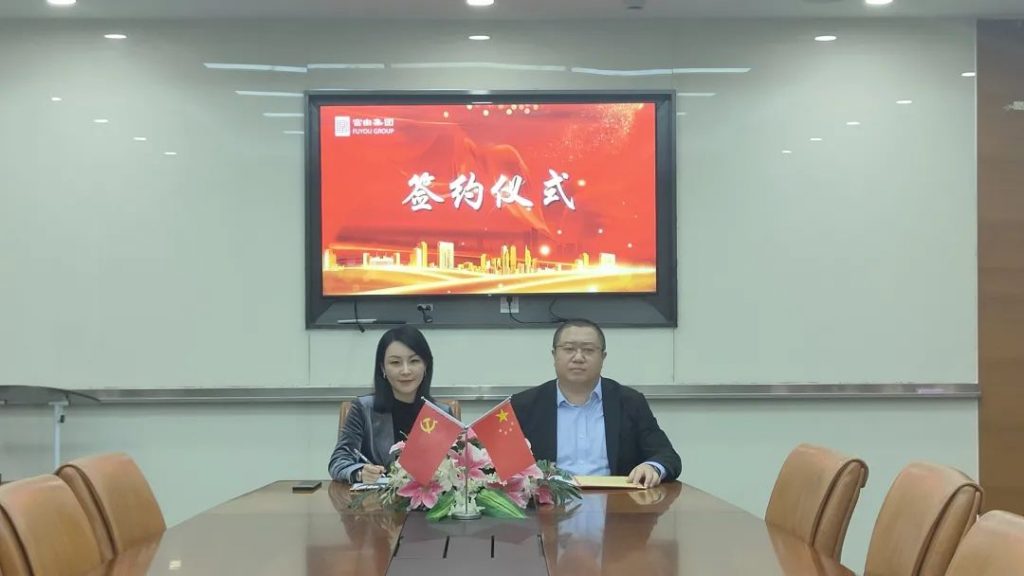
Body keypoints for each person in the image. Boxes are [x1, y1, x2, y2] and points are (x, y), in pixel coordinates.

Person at [510, 319, 681, 488]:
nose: (578, 357)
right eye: (569, 349)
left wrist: (652, 467)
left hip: (617, 501)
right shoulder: (524, 405)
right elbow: (503, 466)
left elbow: (666, 455)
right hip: (549, 501)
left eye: (588, 350)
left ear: (603, 357)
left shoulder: (629, 402)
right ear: (554, 355)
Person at [328, 326, 452, 484]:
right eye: (395, 362)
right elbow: (338, 462)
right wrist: (360, 472)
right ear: (383, 368)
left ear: (426, 365)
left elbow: (457, 466)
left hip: (427, 497)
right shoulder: (363, 409)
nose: (405, 371)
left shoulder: (441, 414)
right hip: (376, 498)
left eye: (414, 361)